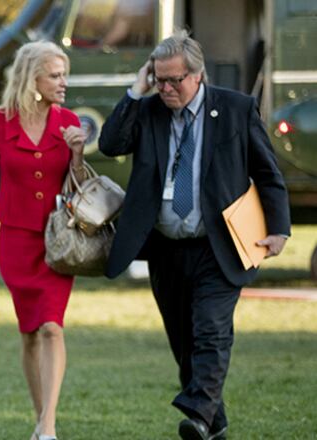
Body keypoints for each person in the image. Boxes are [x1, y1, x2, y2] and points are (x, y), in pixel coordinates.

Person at [98, 30, 290, 440]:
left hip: (219, 244)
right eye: (158, 78)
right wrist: (136, 90)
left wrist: (279, 229)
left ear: (198, 75)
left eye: (174, 80)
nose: (166, 88)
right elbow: (111, 143)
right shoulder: (148, 110)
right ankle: (211, 423)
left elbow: (267, 173)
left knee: (211, 329)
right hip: (165, 247)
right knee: (183, 340)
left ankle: (199, 414)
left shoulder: (236, 109)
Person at [0, 40, 88, 440]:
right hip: (15, 242)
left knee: (52, 327)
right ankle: (41, 419)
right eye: (55, 75)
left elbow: (82, 190)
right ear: (32, 78)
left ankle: (47, 427)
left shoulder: (68, 122)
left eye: (64, 74)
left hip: (57, 244)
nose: (63, 82)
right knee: (30, 332)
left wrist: (79, 154)